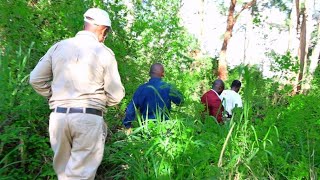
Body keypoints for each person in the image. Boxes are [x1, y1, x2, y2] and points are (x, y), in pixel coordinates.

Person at [29, 8, 125, 179]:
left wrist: (54, 96)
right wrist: (100, 102)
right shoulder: (104, 52)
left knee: (64, 175)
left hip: (58, 118)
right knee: (80, 176)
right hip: (88, 118)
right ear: (103, 30)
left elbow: (35, 79)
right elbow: (116, 94)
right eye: (107, 33)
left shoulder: (58, 47)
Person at [122, 63, 183, 129]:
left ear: (149, 73)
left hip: (146, 128)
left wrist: (127, 125)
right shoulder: (168, 87)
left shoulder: (141, 89)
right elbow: (180, 101)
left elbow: (130, 109)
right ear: (163, 74)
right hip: (165, 127)